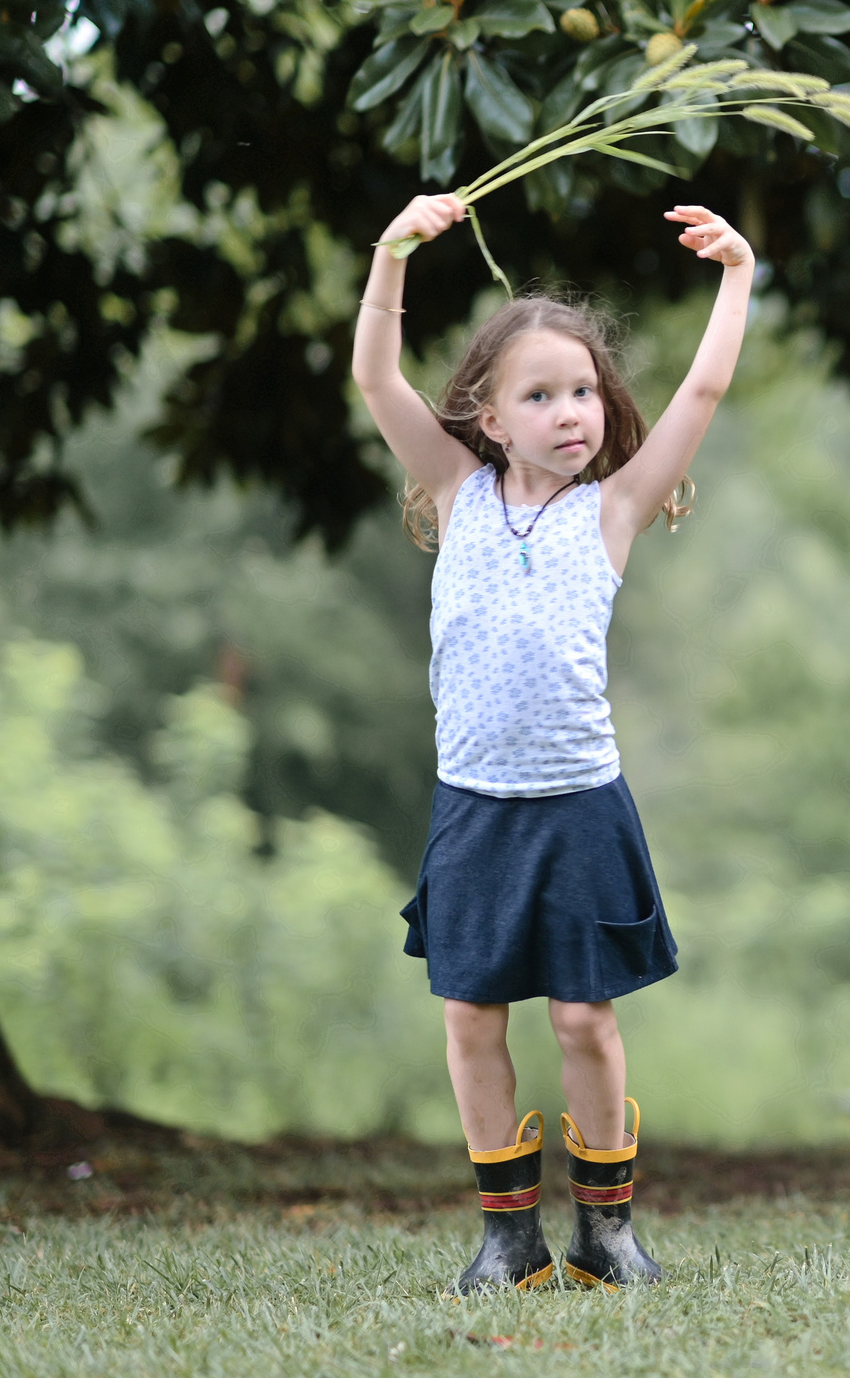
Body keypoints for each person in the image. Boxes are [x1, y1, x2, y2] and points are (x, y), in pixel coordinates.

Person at [352, 193, 753, 1293]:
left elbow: (706, 388)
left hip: (579, 801)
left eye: (583, 389)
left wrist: (737, 273)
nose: (571, 410)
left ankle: (608, 1230)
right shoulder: (459, 492)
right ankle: (506, 1234)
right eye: (541, 394)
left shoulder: (613, 508)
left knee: (584, 1014)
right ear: (488, 414)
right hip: (476, 805)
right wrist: (393, 253)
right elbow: (378, 378)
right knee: (471, 1016)